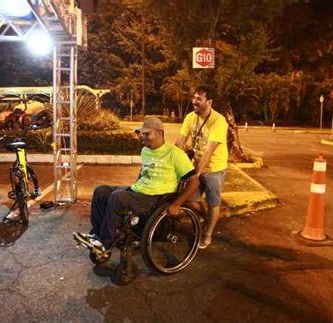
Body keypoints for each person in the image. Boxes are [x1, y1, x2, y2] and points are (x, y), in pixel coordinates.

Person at [74, 117, 199, 255]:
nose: (142, 137)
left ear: (159, 133)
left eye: (147, 134)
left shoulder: (175, 154)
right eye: (142, 133)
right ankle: (97, 235)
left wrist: (177, 204)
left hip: (156, 198)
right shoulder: (145, 150)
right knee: (101, 190)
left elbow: (194, 181)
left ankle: (104, 243)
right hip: (139, 191)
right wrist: (134, 187)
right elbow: (144, 172)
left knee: (117, 197)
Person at [175, 84, 228, 249]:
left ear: (209, 101)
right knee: (190, 201)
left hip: (214, 168)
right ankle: (208, 218)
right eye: (194, 98)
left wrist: (196, 175)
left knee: (213, 202)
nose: (194, 101)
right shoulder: (190, 117)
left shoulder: (218, 121)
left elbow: (209, 151)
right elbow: (180, 142)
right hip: (196, 164)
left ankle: (208, 234)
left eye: (199, 98)